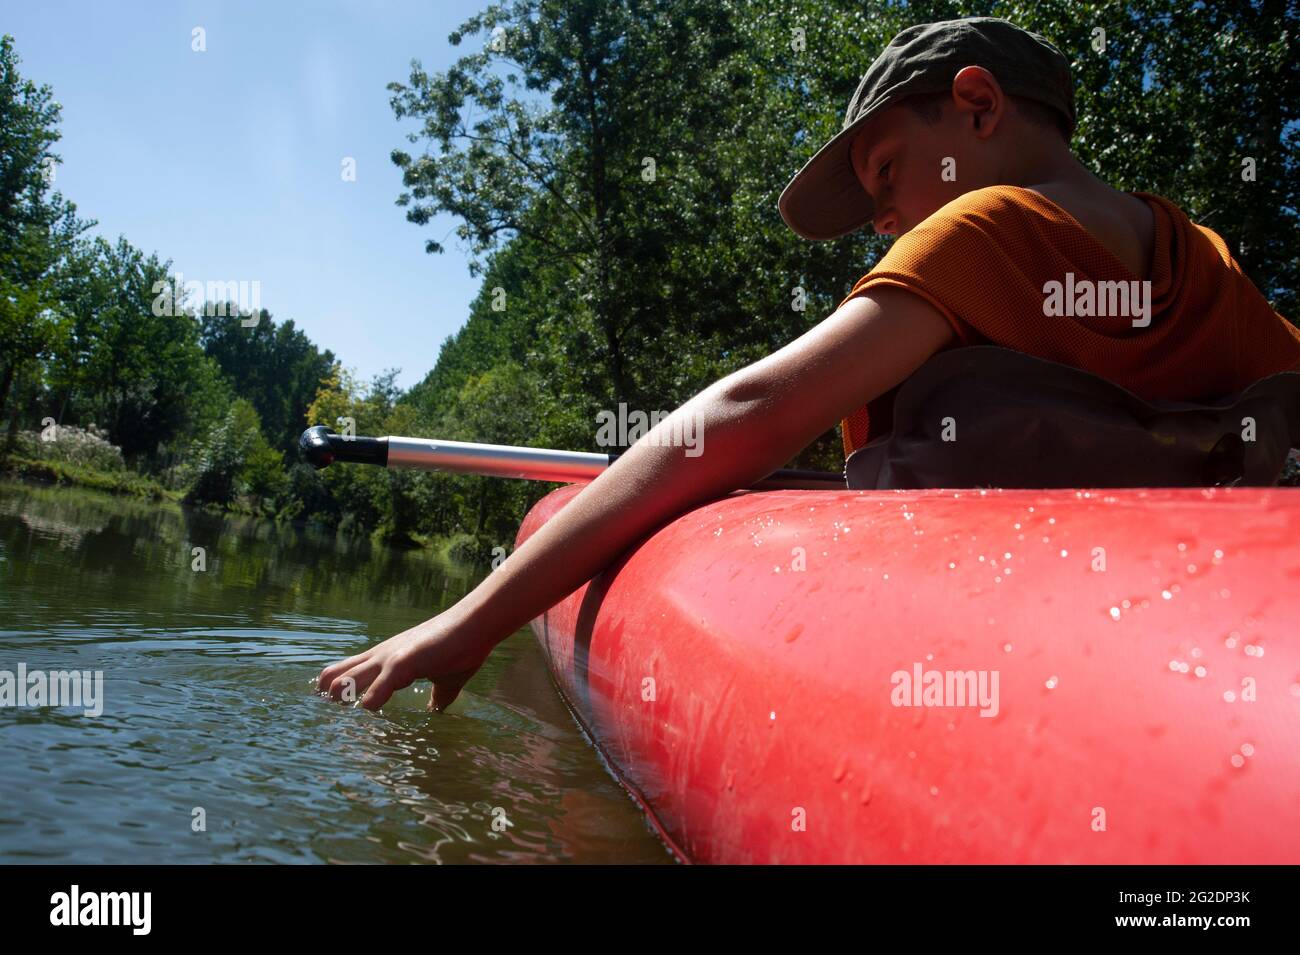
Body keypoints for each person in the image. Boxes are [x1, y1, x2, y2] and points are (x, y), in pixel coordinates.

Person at [317, 17, 1300, 712]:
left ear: (977, 104)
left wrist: (471, 619)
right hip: (1170, 643)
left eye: (884, 174)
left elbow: (749, 409)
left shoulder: (982, 225)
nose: (880, 220)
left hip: (984, 646)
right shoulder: (1213, 266)